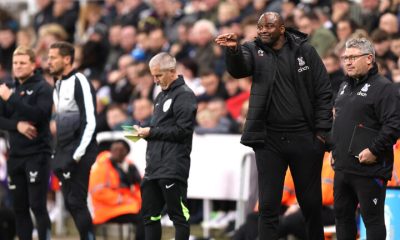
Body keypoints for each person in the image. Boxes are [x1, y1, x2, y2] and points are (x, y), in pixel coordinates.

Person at [215, 12, 333, 239]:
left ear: (282, 29)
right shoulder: (252, 49)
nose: (263, 30)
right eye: (260, 27)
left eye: (269, 26)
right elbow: (239, 70)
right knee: (267, 206)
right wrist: (233, 50)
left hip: (304, 138)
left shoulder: (304, 50)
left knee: (310, 205)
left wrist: (321, 133)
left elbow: (324, 90)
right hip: (269, 140)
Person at [332, 38, 400, 239]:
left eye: (353, 57)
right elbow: (339, 120)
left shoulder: (384, 88)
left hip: (369, 168)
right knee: (342, 217)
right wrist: (333, 149)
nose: (348, 62)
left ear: (369, 58)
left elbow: (394, 125)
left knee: (372, 219)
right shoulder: (344, 85)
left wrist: (374, 151)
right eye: (346, 58)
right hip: (343, 167)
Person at [133, 52, 197, 240]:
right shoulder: (161, 96)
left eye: (158, 75)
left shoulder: (185, 95)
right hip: (154, 167)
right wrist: (145, 132)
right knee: (149, 216)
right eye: (153, 75)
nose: (155, 80)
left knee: (178, 216)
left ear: (172, 71)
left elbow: (183, 131)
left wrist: (151, 132)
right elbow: (162, 130)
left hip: (173, 166)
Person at [0, 46, 53, 240]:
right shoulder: (9, 87)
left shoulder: (43, 87)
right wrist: (17, 125)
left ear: (33, 64)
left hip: (37, 154)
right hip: (15, 156)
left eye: (23, 63)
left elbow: (39, 115)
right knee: (19, 207)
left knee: (37, 205)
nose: (18, 67)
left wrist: (11, 98)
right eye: (15, 63)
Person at [47, 41, 98, 240]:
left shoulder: (80, 80)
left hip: (78, 151)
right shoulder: (58, 83)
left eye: (53, 57)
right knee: (71, 201)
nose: (48, 62)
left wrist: (76, 155)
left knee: (76, 200)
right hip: (63, 151)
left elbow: (90, 120)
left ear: (67, 59)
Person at [89, 140, 144, 240]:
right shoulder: (102, 166)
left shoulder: (127, 165)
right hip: (106, 210)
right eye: (115, 149)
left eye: (121, 150)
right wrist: (127, 200)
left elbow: (138, 190)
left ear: (126, 153)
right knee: (143, 218)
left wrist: (138, 182)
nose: (118, 152)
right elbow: (99, 193)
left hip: (123, 207)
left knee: (148, 213)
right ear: (111, 150)